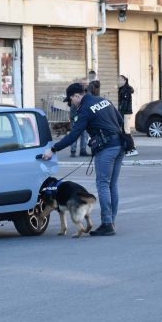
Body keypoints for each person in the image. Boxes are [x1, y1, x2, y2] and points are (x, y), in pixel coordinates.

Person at [42, 83, 126, 236]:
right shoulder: (103, 100)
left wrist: (53, 149)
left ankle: (107, 224)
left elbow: (74, 135)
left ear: (77, 96)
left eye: (71, 100)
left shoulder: (84, 110)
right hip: (120, 144)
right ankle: (111, 222)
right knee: (112, 184)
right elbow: (120, 120)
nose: (71, 103)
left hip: (106, 148)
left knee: (102, 184)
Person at [69, 79, 89, 158]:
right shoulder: (76, 93)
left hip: (84, 117)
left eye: (87, 84)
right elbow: (74, 106)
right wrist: (74, 117)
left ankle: (83, 150)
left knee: (84, 135)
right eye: (85, 84)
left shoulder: (86, 92)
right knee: (75, 134)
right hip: (76, 117)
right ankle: (73, 151)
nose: (86, 85)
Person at [118, 75, 138, 156]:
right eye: (118, 80)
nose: (118, 82)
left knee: (126, 131)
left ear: (124, 81)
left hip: (125, 113)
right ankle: (127, 148)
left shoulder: (125, 90)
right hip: (124, 113)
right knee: (124, 131)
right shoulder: (122, 89)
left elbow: (124, 104)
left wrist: (121, 113)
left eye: (120, 80)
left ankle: (132, 149)